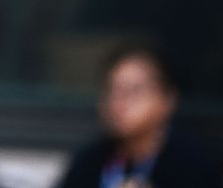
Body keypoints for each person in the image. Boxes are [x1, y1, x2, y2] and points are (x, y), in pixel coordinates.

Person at [59, 45, 220, 188]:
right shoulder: (89, 162)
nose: (119, 102)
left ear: (167, 99)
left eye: (133, 91)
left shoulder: (194, 164)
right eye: (112, 90)